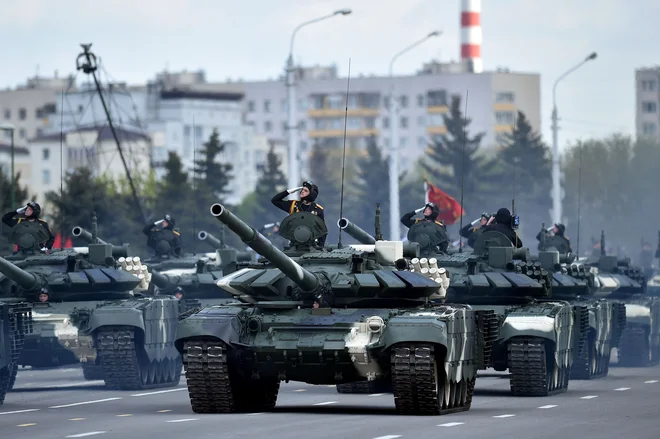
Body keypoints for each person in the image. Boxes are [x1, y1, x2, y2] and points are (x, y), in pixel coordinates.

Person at [271, 180, 326, 247]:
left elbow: (322, 230)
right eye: (302, 189)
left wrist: (320, 247)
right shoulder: (293, 205)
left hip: (312, 245)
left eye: (306, 191)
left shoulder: (318, 209)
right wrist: (288, 192)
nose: (302, 191)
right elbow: (275, 200)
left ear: (312, 194)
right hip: (294, 244)